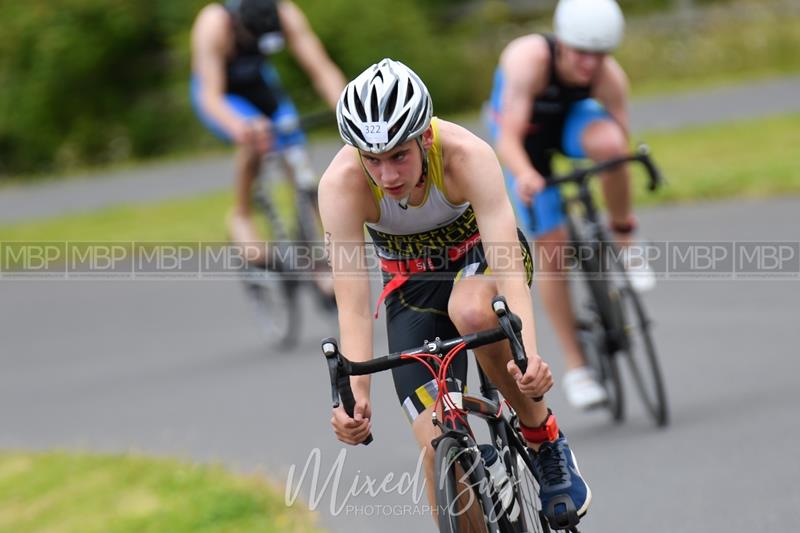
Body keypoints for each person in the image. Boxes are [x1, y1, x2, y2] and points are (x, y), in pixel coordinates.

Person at [321, 58, 591, 528]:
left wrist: (529, 358)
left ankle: (543, 438)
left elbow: (506, 261)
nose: (387, 176)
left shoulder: (466, 154)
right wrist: (355, 398)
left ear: (425, 137)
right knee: (433, 447)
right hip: (412, 287)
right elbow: (355, 303)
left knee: (470, 309)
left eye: (399, 155)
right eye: (373, 159)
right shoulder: (340, 185)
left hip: (482, 263)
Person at [488, 0, 654, 410]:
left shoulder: (610, 77)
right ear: (561, 42)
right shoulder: (527, 60)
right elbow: (506, 138)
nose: (589, 64)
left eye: (600, 55)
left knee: (612, 147)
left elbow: (621, 145)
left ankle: (625, 240)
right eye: (581, 52)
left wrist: (615, 173)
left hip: (568, 125)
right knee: (553, 246)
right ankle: (578, 366)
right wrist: (526, 174)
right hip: (523, 141)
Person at [190, 0, 346, 264]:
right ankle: (241, 215)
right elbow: (210, 97)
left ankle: (321, 253)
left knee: (295, 149)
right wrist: (239, 126)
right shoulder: (213, 23)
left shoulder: (286, 13)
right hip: (219, 92)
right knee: (255, 137)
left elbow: (321, 67)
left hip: (258, 84)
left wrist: (346, 108)